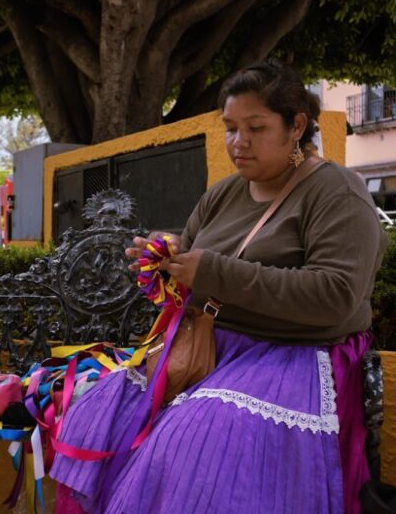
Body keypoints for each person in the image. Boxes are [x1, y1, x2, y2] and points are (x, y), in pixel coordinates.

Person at [49, 60, 386, 514]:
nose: (237, 142)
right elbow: (196, 256)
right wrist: (166, 258)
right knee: (100, 411)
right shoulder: (224, 194)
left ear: (297, 126)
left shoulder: (335, 192)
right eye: (230, 128)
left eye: (255, 127)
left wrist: (211, 271)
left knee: (199, 435)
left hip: (296, 354)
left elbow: (335, 295)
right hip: (210, 347)